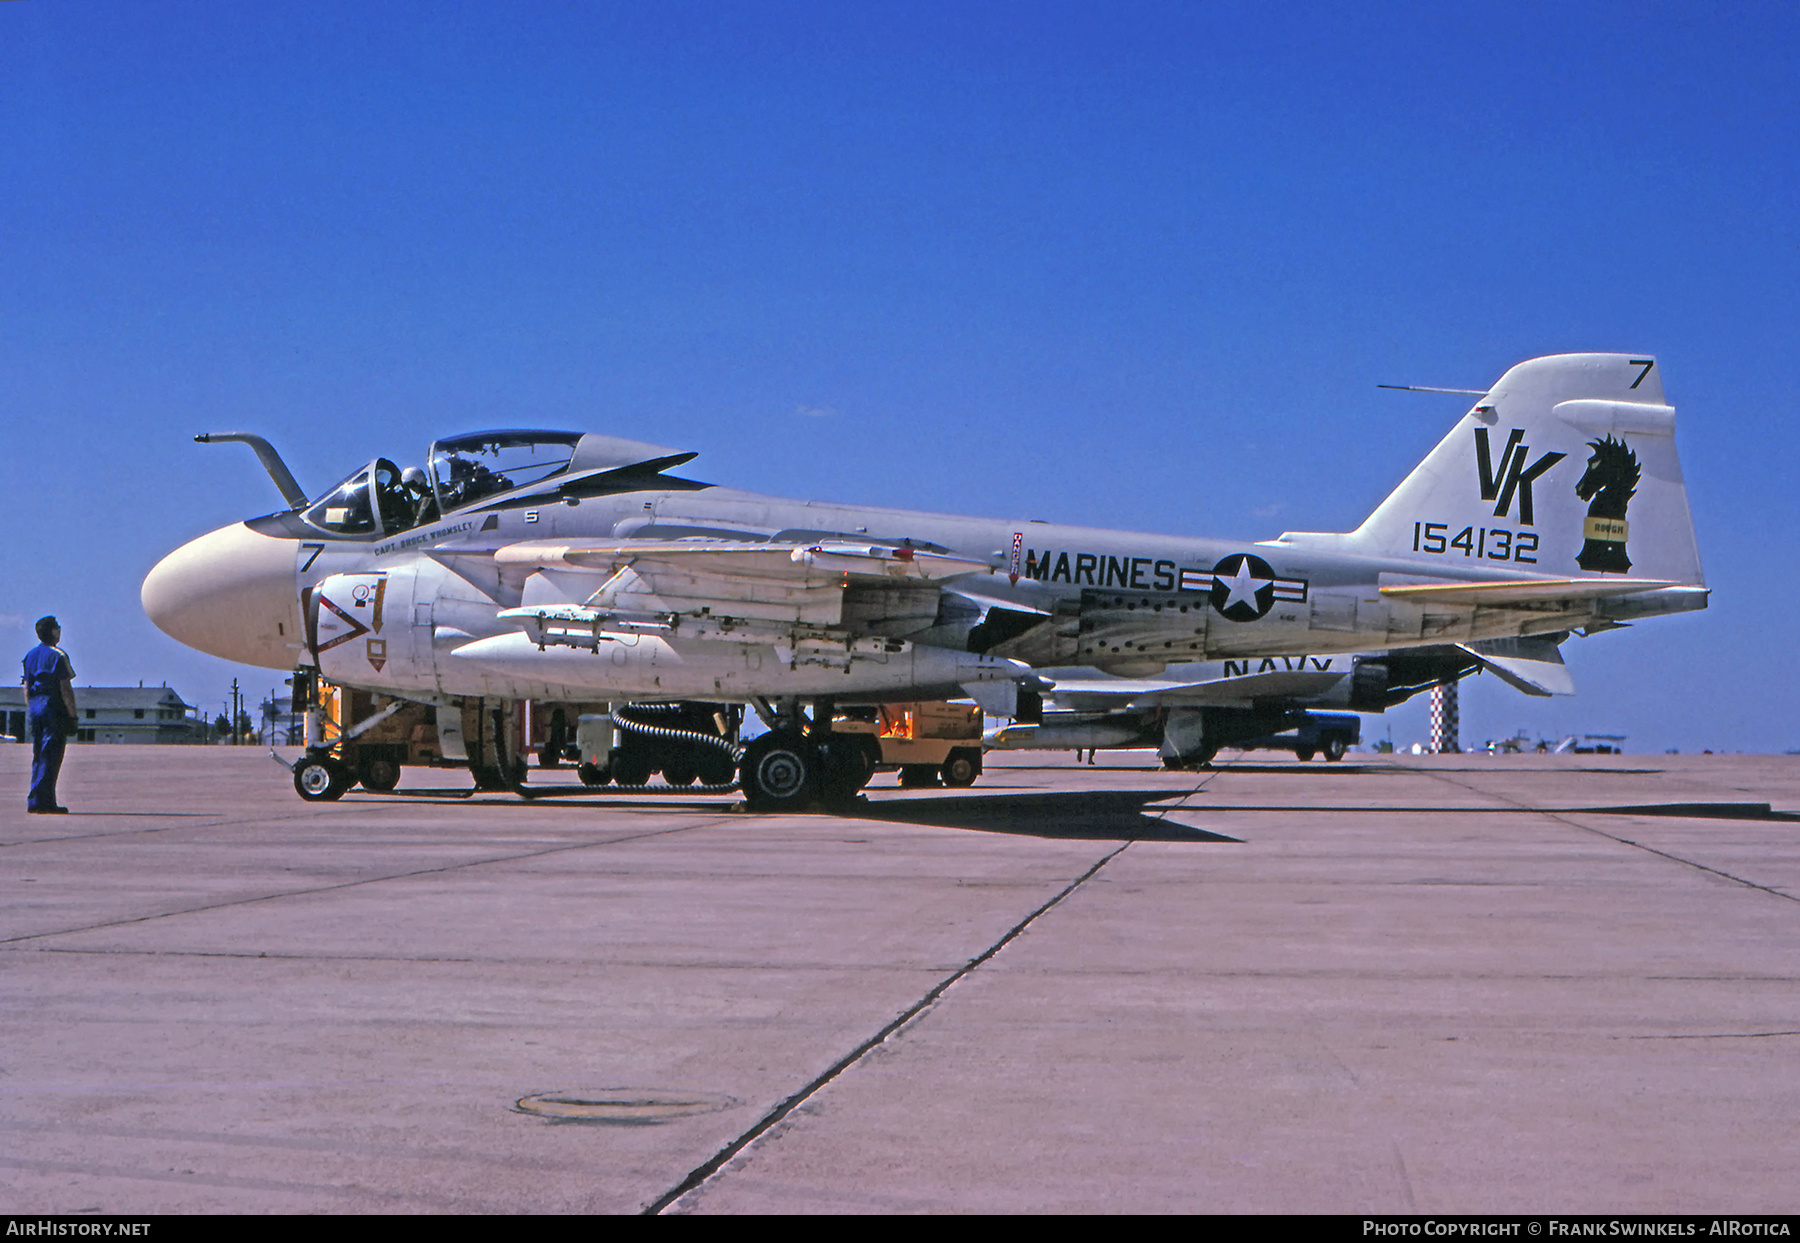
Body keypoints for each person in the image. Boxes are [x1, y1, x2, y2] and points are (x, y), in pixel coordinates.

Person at [23, 615, 77, 814]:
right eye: (57, 628)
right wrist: (72, 714)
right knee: (51, 755)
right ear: (52, 631)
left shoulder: (30, 655)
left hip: (36, 707)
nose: (60, 630)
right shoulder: (58, 655)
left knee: (38, 754)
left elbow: (26, 687)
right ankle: (44, 801)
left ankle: (35, 797)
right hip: (52, 708)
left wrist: (31, 709)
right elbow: (65, 689)